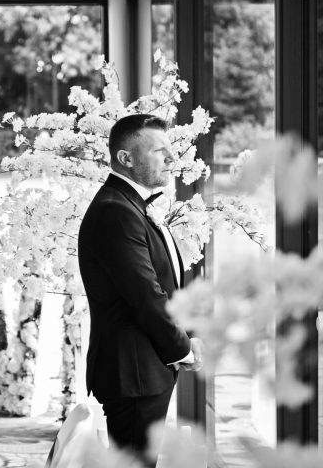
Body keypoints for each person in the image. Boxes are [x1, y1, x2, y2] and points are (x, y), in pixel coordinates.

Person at [78, 113, 203, 467]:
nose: (171, 159)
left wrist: (188, 336)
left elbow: (165, 283)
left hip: (144, 368)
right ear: (126, 159)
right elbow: (146, 296)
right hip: (132, 373)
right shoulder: (116, 211)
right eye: (159, 151)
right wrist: (184, 349)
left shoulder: (128, 205)